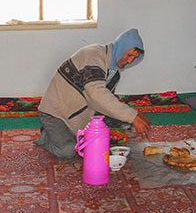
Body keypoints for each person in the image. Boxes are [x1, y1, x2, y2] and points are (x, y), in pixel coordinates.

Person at [36, 28, 152, 158]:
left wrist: (132, 119)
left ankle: (72, 135)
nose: (130, 61)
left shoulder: (114, 72)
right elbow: (96, 95)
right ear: (121, 47)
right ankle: (46, 136)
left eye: (134, 58)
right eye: (129, 55)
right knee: (67, 151)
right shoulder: (93, 55)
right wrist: (133, 116)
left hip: (80, 115)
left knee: (118, 130)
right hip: (57, 114)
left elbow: (103, 103)